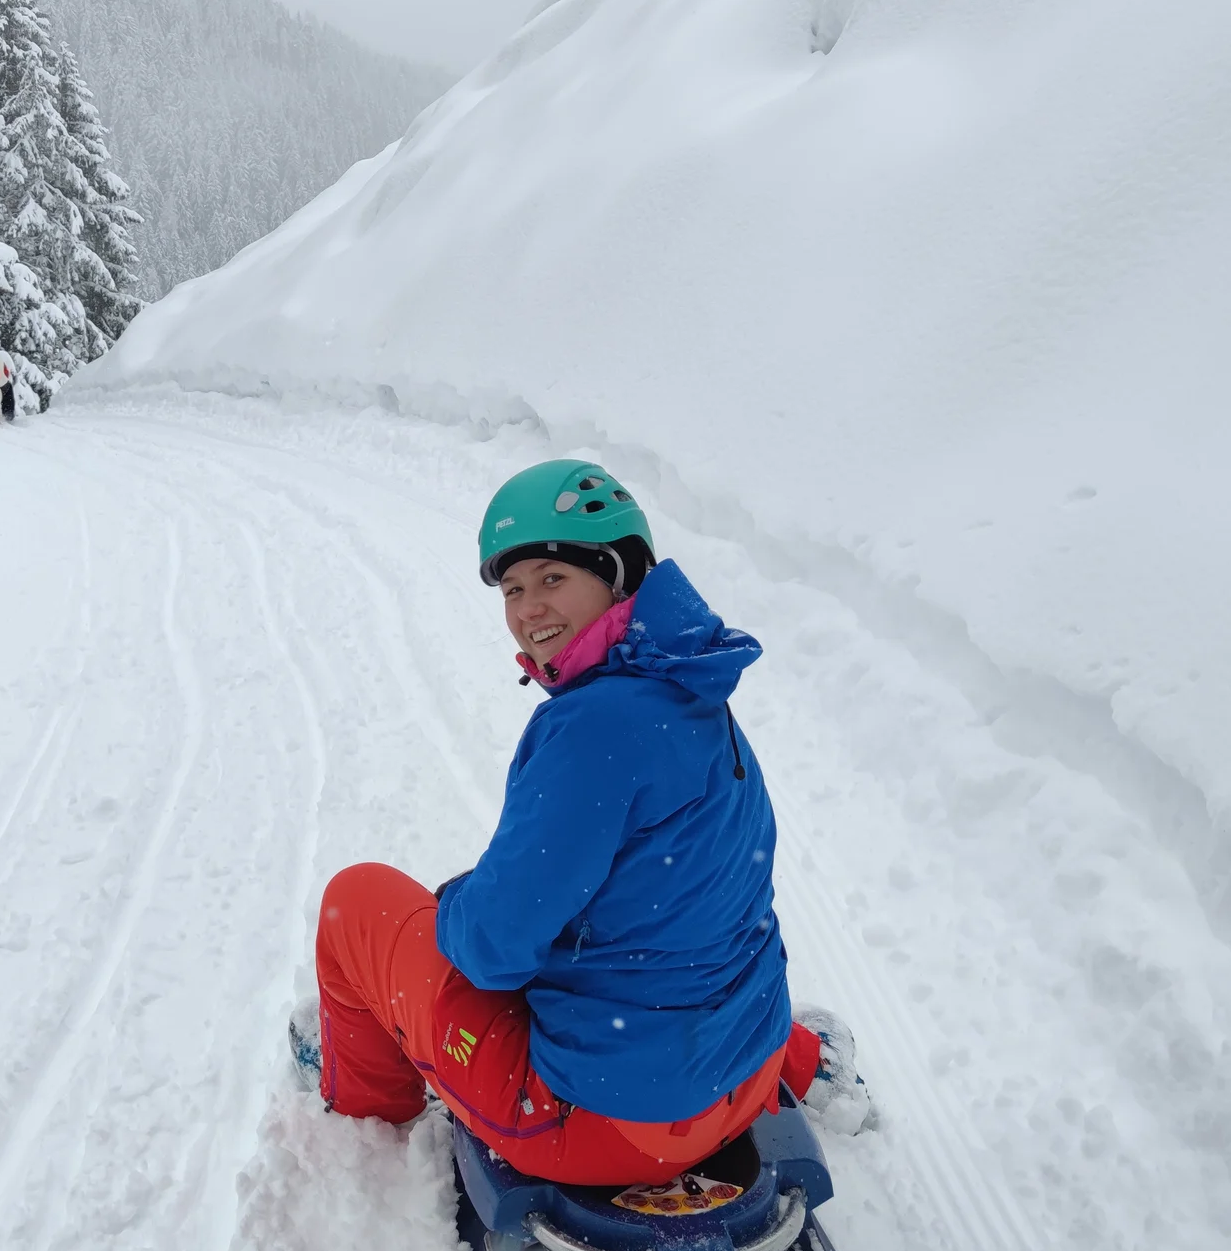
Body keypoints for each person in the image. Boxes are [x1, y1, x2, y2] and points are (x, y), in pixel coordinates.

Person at [303, 459, 866, 1187]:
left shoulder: (593, 728)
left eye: (553, 578)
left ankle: (368, 1108)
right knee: (681, 917)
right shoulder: (691, 683)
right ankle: (802, 1058)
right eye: (513, 588)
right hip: (746, 1076)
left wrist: (464, 906)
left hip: (607, 1128)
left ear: (619, 576)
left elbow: (491, 952)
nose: (529, 607)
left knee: (360, 901)